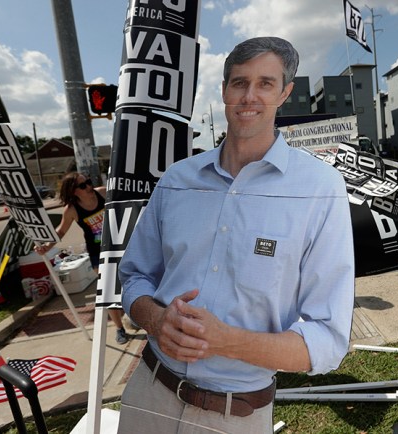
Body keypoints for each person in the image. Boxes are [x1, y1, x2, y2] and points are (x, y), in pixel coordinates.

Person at [116, 36, 355, 433]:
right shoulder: (177, 180)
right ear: (224, 89)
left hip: (236, 415)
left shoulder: (319, 188)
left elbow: (327, 340)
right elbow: (134, 276)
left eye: (265, 83)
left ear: (285, 94)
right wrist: (156, 319)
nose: (250, 96)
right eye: (239, 82)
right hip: (148, 393)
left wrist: (225, 341)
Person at [35, 172, 129, 344]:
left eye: (88, 181)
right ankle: (119, 328)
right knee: (107, 290)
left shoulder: (102, 193)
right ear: (73, 191)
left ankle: (133, 314)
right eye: (83, 185)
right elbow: (61, 231)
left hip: (119, 245)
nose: (88, 187)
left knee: (128, 283)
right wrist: (45, 246)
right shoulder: (72, 210)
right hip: (97, 253)